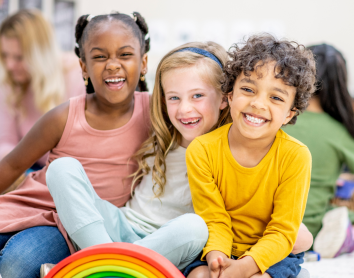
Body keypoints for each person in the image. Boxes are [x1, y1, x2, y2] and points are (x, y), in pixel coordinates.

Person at [46, 41, 231, 272]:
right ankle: (109, 264)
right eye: (174, 98)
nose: (184, 109)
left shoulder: (228, 152)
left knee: (195, 227)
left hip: (167, 244)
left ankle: (103, 268)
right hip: (116, 229)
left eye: (197, 96)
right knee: (62, 168)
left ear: (225, 98)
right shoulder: (162, 137)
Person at [0, 12, 150, 278]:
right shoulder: (63, 116)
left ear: (144, 62)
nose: (113, 65)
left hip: (69, 225)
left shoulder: (154, 112)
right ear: (84, 67)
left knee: (16, 264)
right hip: (28, 206)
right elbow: (12, 164)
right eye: (100, 56)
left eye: (125, 55)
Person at [185, 34, 316, 278]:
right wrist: (218, 259)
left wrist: (246, 267)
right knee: (200, 276)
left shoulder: (296, 156)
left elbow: (282, 231)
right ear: (230, 96)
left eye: (276, 98)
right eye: (248, 89)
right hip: (222, 246)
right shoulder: (202, 150)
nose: (258, 103)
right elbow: (214, 219)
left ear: (289, 114)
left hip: (274, 252)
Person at [283, 44, 354, 258]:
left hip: (273, 224)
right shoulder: (338, 130)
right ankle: (348, 236)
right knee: (348, 191)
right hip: (310, 229)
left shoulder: (280, 119)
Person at [0, 9, 85, 168]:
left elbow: (83, 149)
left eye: (19, 57)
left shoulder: (77, 77)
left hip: (69, 173)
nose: (10, 65)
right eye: (5, 55)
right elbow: (5, 142)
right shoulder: (10, 81)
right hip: (29, 171)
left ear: (41, 56)